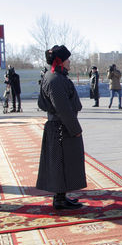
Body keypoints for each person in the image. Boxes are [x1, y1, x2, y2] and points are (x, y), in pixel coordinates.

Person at [36, 45, 86, 210]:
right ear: (60, 61)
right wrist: (75, 129)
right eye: (67, 59)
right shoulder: (55, 79)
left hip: (61, 127)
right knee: (61, 164)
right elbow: (63, 108)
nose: (69, 61)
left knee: (64, 163)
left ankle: (61, 196)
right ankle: (59, 200)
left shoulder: (55, 76)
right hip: (61, 128)